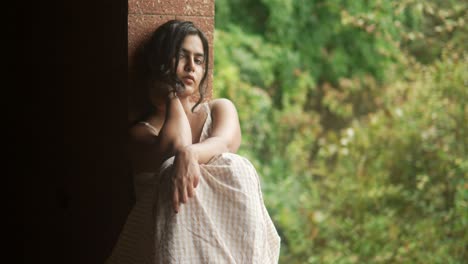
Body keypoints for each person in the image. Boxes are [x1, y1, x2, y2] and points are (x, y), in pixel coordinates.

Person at [106, 20, 280, 263]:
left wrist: (190, 154)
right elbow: (175, 149)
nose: (191, 67)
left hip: (226, 246)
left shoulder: (221, 109)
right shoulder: (140, 134)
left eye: (199, 61)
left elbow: (224, 144)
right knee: (170, 169)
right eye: (181, 57)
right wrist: (170, 97)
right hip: (170, 249)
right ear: (160, 62)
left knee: (236, 165)